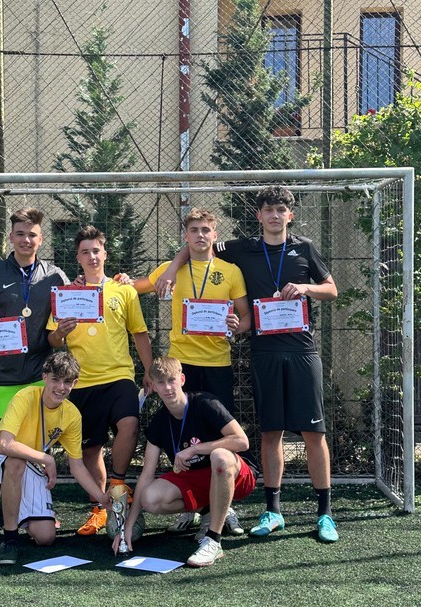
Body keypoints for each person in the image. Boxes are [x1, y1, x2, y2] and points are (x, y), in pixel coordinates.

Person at [156, 186, 340, 543]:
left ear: (290, 215)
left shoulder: (305, 248)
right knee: (270, 433)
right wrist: (174, 267)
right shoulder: (243, 249)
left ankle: (325, 513)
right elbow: (198, 242)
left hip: (303, 351)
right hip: (264, 353)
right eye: (268, 209)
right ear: (258, 216)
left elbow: (331, 289)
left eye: (281, 209)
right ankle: (273, 511)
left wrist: (305, 288)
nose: (274, 215)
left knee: (314, 434)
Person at [128, 208, 251, 537]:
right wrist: (120, 281)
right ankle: (191, 502)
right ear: (185, 236)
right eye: (193, 230)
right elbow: (136, 288)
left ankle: (220, 507)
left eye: (205, 230)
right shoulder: (173, 270)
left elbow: (246, 319)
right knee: (180, 433)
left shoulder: (230, 272)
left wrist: (237, 327)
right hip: (180, 364)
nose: (199, 235)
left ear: (214, 234)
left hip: (217, 365)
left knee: (218, 435)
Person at [0, 207, 69, 535]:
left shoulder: (54, 276)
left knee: (36, 447)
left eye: (32, 234)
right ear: (11, 237)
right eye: (20, 234)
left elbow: (73, 301)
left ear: (41, 238)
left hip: (38, 378)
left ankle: (37, 508)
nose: (26, 239)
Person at [47, 225, 153, 536]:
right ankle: (100, 508)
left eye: (96, 250)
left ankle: (119, 483)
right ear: (77, 258)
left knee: (129, 425)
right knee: (90, 451)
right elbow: (52, 341)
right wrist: (60, 333)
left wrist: (148, 370)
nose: (92, 256)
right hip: (80, 382)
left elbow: (140, 334)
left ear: (105, 254)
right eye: (85, 252)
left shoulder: (124, 289)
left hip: (119, 375)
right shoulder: (66, 295)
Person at [114, 356, 257, 567]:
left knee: (219, 456)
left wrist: (196, 449)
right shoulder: (159, 421)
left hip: (235, 473)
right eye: (161, 383)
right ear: (152, 386)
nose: (168, 388)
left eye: (171, 380)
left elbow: (242, 441)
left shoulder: (206, 403)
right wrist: (128, 525)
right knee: (150, 498)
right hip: (196, 479)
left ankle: (213, 540)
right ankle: (209, 511)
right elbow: (146, 475)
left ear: (182, 379)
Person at [0, 351, 110, 565]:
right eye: (55, 379)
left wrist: (102, 499)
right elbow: (4, 445)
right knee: (15, 460)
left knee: (46, 537)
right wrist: (47, 459)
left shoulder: (72, 414)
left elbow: (77, 466)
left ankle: (11, 511)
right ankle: (10, 539)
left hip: (30, 463)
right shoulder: (26, 396)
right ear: (45, 377)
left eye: (67, 382)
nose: (61, 387)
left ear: (75, 383)